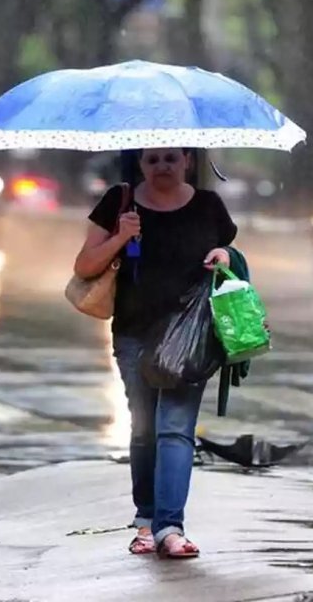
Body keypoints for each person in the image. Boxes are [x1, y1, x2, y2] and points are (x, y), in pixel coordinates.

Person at [73, 147, 237, 559]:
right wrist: (121, 237)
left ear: (187, 161)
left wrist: (226, 255)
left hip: (191, 336)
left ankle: (170, 527)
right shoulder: (119, 201)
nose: (162, 166)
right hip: (134, 333)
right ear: (140, 164)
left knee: (175, 430)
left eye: (170, 158)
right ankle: (145, 520)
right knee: (145, 431)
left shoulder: (208, 206)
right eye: (152, 160)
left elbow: (228, 254)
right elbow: (85, 265)